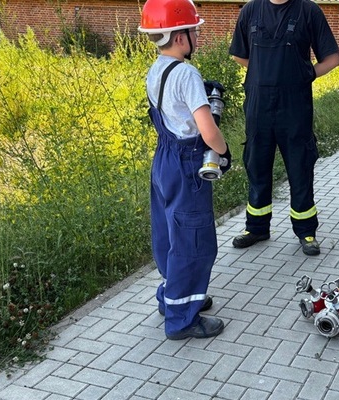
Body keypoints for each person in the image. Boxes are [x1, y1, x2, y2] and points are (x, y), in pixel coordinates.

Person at [139, 0, 232, 340]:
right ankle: (182, 319)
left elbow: (173, 112)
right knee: (194, 241)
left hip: (164, 159)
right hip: (187, 162)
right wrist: (223, 152)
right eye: (194, 30)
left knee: (170, 233)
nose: (197, 36)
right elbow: (208, 131)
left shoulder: (156, 69)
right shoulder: (187, 74)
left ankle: (173, 296)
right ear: (179, 37)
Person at [229, 0, 339, 256]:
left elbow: (332, 59)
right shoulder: (250, 11)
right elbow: (239, 54)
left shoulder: (308, 11)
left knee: (300, 168)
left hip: (294, 107)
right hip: (258, 107)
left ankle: (306, 231)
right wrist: (265, 73)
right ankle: (256, 228)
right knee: (257, 167)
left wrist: (304, 74)